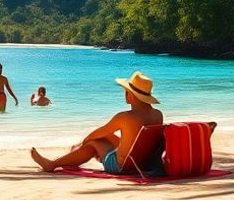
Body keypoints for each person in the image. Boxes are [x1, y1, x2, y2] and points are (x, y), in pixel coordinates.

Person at [30, 72, 163, 174]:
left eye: (126, 91)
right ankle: (73, 154)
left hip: (121, 166)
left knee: (93, 143)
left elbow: (98, 133)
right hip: (142, 163)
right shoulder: (158, 115)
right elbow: (134, 139)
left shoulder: (125, 117)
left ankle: (52, 164)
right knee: (105, 136)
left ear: (131, 96)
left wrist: (84, 142)